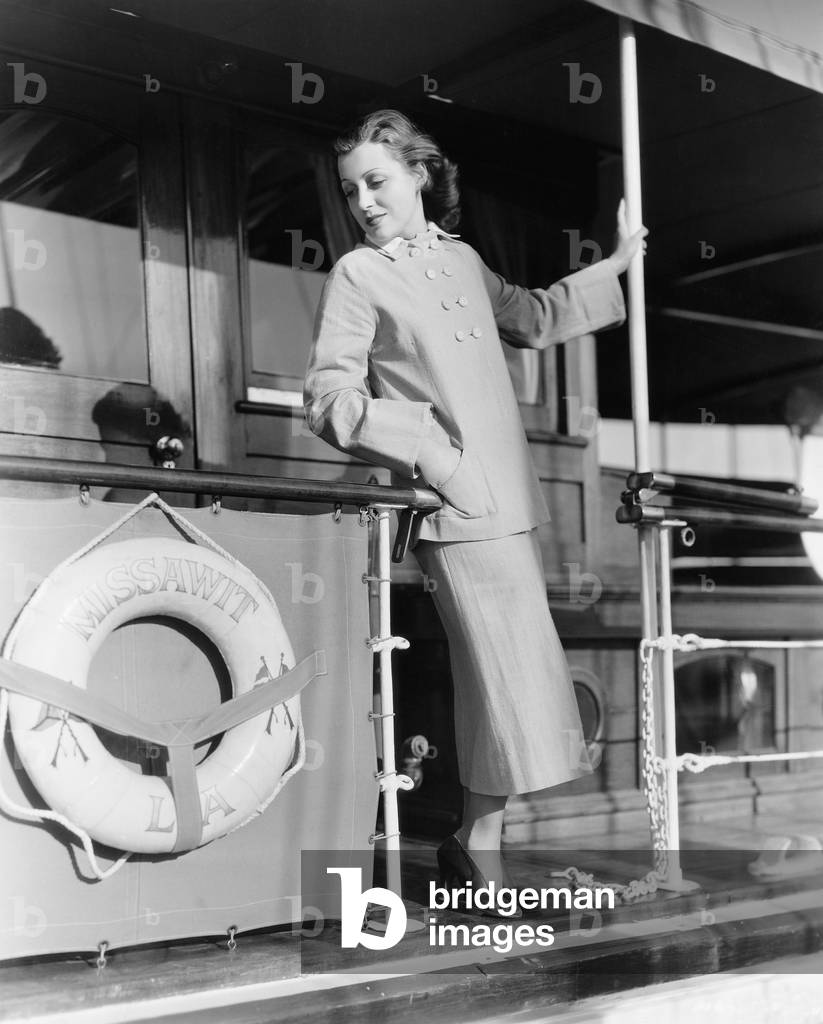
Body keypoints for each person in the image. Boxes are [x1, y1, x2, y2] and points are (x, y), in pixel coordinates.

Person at [303, 109, 647, 912]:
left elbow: (530, 316)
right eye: (352, 190)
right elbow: (327, 399)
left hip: (510, 502)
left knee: (513, 683)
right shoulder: (356, 276)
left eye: (377, 182)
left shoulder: (461, 261)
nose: (363, 201)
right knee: (502, 679)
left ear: (420, 175)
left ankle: (476, 837)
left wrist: (619, 264)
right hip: (454, 508)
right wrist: (432, 452)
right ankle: (478, 842)